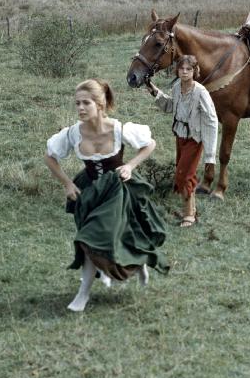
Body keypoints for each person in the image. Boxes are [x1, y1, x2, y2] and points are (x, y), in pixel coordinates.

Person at [44, 79, 169, 312]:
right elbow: (49, 156)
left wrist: (130, 166)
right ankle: (128, 267)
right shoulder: (73, 133)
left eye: (86, 103)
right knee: (92, 241)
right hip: (89, 192)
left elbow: (149, 145)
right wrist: (67, 184)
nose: (80, 108)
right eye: (77, 103)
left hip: (117, 190)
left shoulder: (120, 129)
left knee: (90, 238)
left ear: (100, 104)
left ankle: (83, 295)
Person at [146, 55, 218, 229]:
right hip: (180, 135)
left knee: (184, 175)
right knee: (184, 173)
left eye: (189, 69)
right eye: (181, 69)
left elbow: (211, 120)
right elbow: (171, 106)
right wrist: (154, 90)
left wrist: (210, 156)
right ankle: (191, 209)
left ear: (195, 71)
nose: (184, 72)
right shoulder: (177, 87)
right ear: (177, 70)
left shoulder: (200, 92)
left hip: (194, 138)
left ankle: (189, 215)